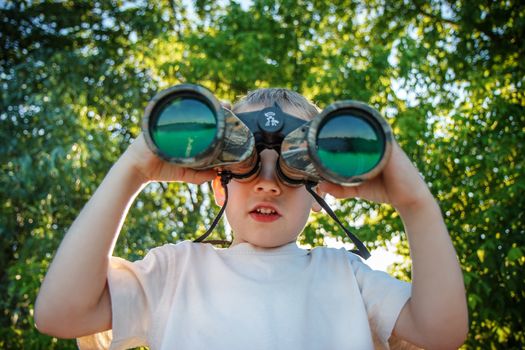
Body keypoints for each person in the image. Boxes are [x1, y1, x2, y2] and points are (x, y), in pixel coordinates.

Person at [34, 88, 468, 349]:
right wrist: (133, 170)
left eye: (291, 168)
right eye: (244, 165)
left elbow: (442, 332)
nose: (267, 183)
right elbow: (60, 314)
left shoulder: (346, 276)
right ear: (219, 182)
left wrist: (416, 204)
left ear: (321, 191)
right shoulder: (176, 270)